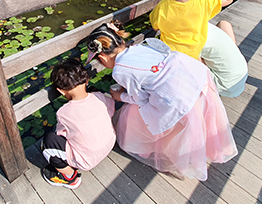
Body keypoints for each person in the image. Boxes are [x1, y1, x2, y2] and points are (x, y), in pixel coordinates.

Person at [86, 21, 238, 181]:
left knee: (134, 115)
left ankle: (141, 146)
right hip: (193, 78)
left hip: (176, 97)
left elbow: (140, 99)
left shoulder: (119, 71)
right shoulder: (138, 48)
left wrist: (120, 97)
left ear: (102, 57)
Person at [149, 0, 247, 97]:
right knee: (224, 24)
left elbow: (155, 27)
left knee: (195, 55)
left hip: (224, 85)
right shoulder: (204, 3)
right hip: (239, 73)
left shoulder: (163, 6)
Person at [41, 58, 116, 189]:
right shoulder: (99, 96)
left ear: (61, 91)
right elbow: (111, 110)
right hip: (109, 144)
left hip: (87, 160)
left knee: (48, 143)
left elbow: (60, 134)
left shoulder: (64, 112)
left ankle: (70, 177)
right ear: (86, 80)